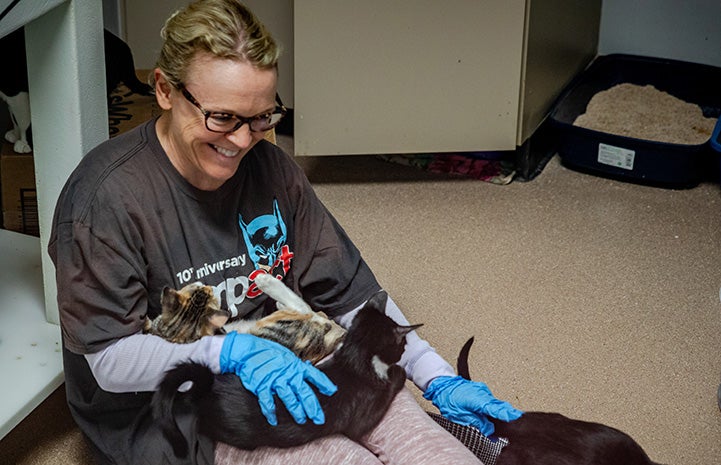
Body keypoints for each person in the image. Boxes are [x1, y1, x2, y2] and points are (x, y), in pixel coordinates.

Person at [49, 1, 522, 464]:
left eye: (260, 118)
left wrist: (436, 376)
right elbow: (109, 362)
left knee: (439, 455)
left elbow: (350, 294)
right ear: (164, 90)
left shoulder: (272, 168)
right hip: (181, 406)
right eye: (222, 118)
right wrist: (230, 353)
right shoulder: (103, 201)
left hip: (292, 355)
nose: (241, 141)